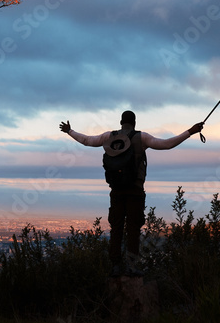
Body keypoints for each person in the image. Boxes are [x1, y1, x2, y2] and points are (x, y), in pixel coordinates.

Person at [60, 110, 204, 276]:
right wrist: (190, 132)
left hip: (116, 191)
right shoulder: (142, 138)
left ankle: (115, 266)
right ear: (134, 122)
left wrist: (70, 131)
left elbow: (87, 141)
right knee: (133, 228)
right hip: (135, 191)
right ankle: (131, 267)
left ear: (121, 122)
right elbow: (167, 144)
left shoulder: (109, 137)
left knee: (117, 227)